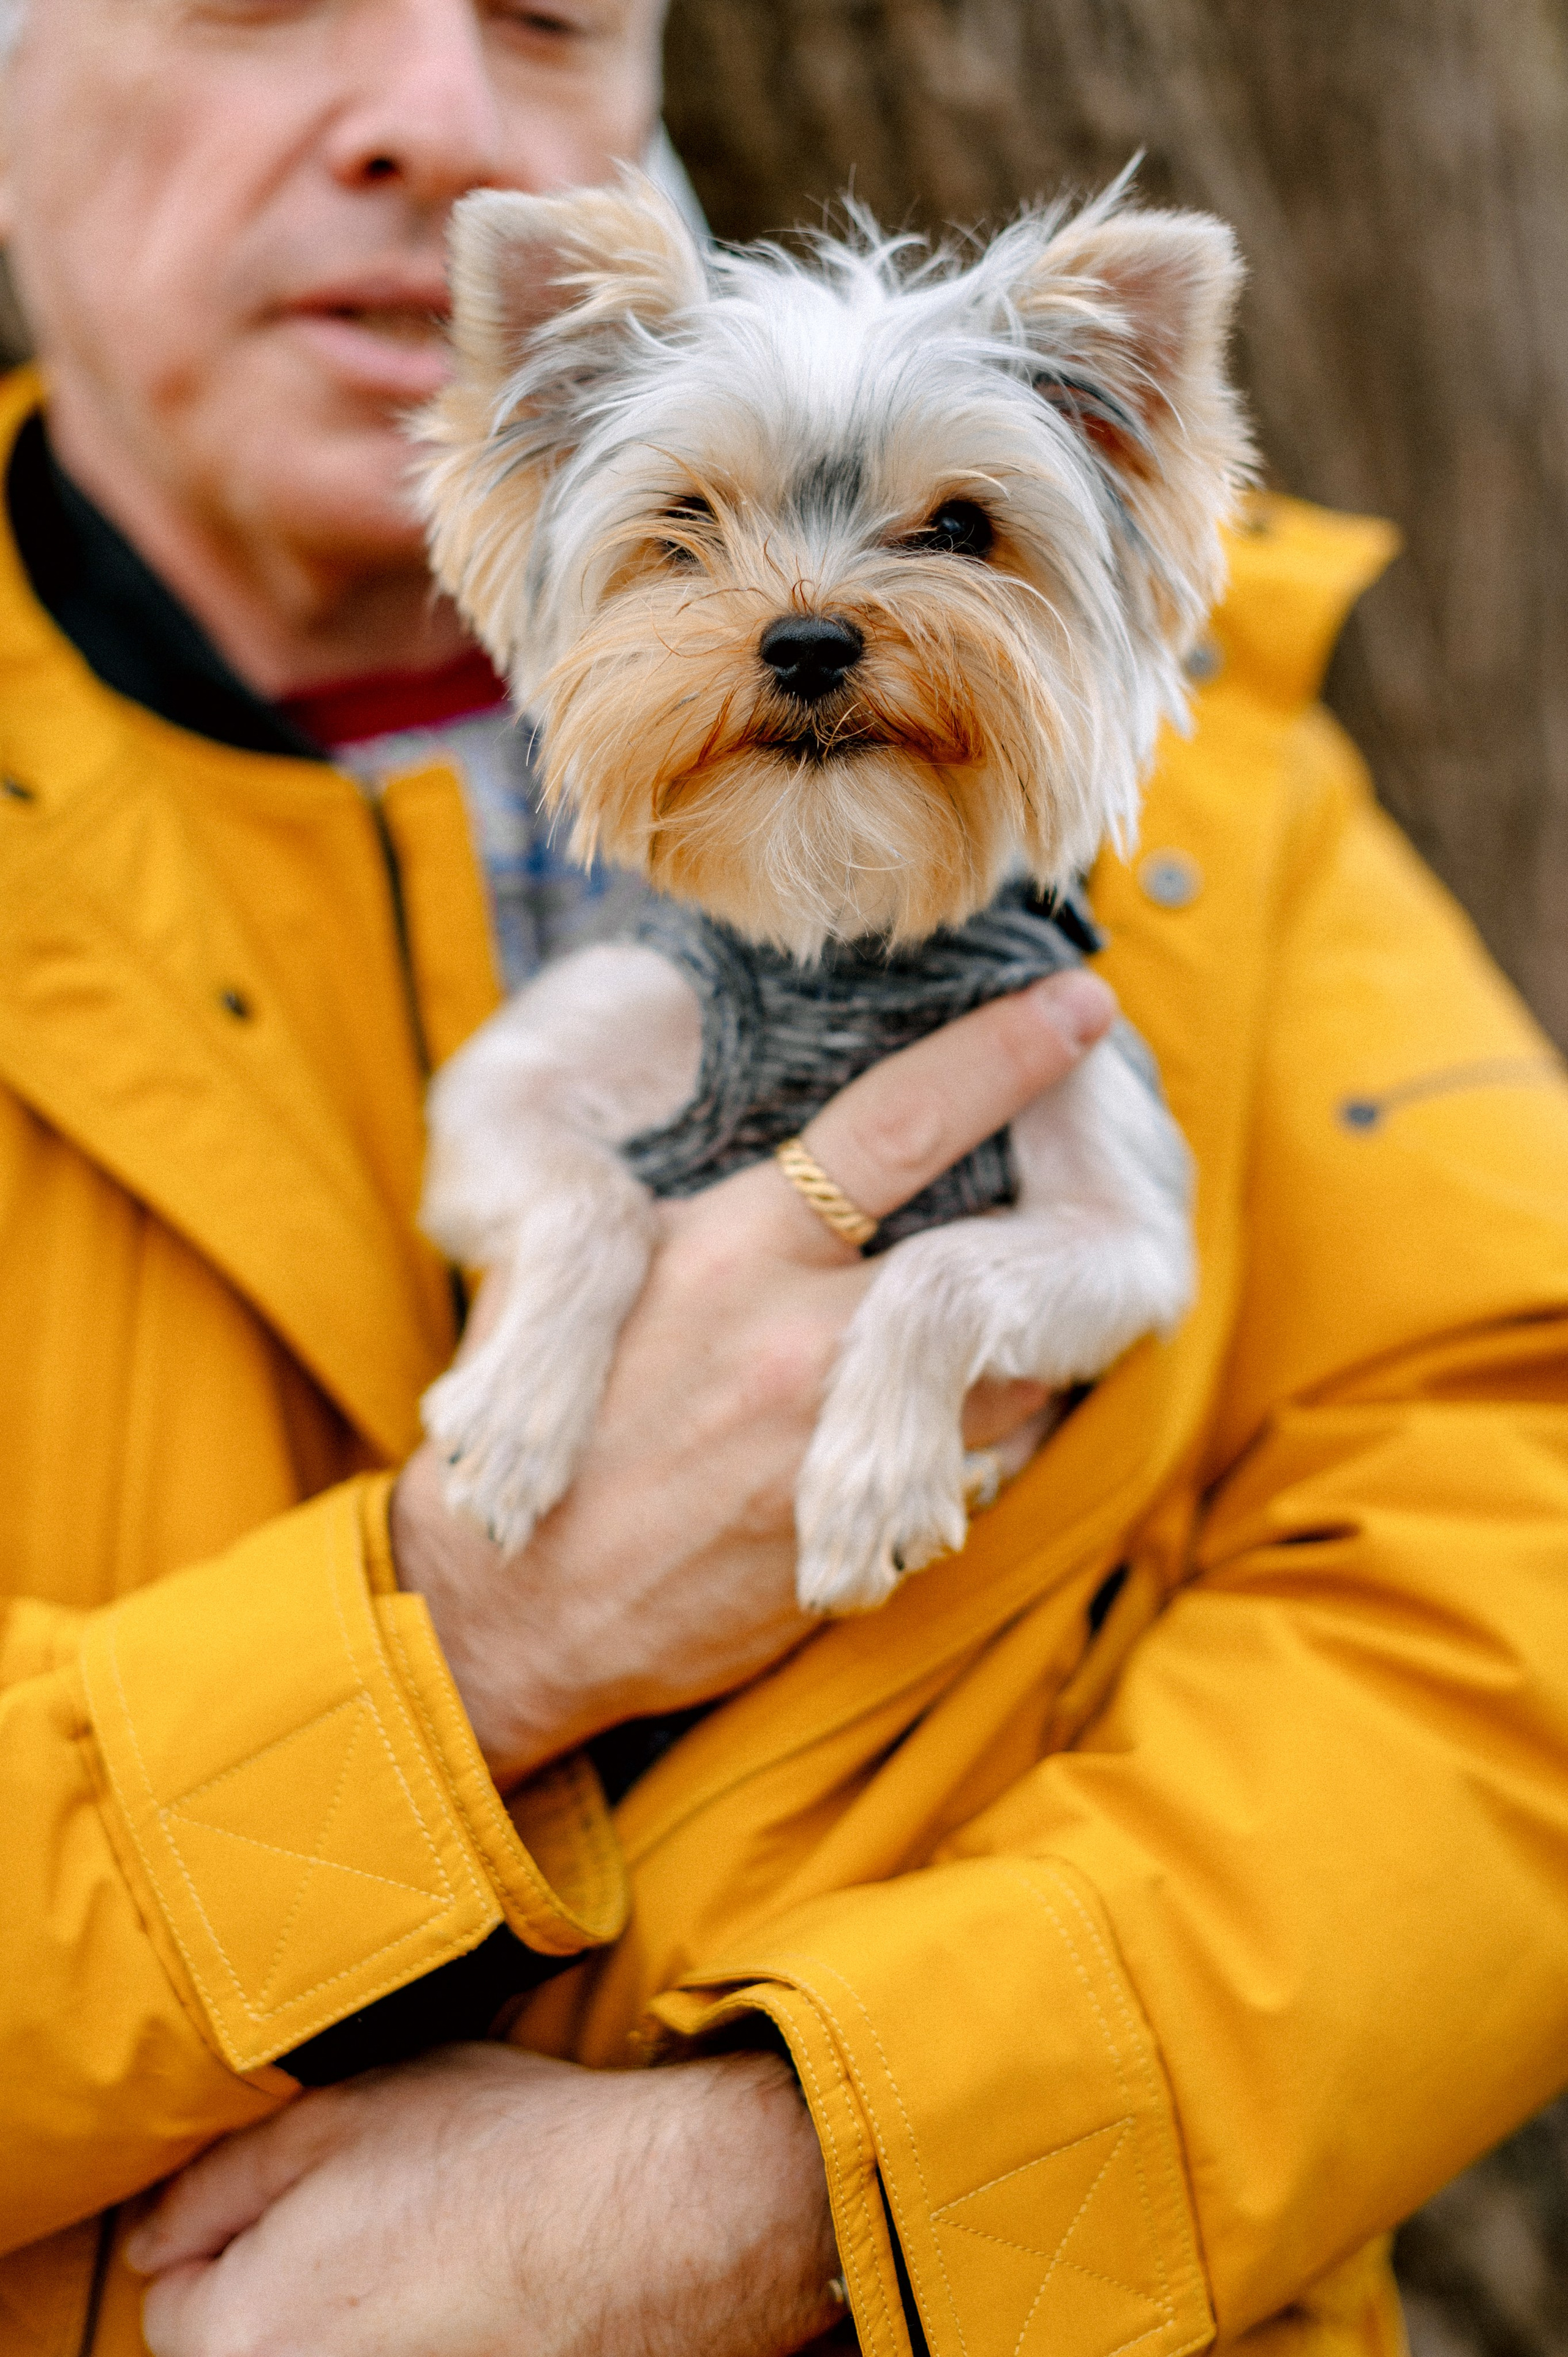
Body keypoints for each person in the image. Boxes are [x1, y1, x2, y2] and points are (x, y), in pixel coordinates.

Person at [0, 0, 1565, 2352]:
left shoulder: (1200, 802)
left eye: (545, 17)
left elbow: (1517, 1580)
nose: (430, 114)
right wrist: (463, 1640)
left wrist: (813, 2170)